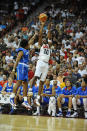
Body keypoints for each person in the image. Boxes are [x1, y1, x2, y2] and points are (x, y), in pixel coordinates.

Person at [10, 32, 37, 109]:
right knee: (19, 82)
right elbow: (17, 60)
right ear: (26, 45)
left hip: (26, 67)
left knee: (25, 83)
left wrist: (35, 35)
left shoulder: (26, 49)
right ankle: (11, 98)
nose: (29, 45)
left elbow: (31, 41)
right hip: (21, 66)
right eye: (28, 44)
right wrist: (13, 69)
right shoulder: (21, 51)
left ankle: (25, 101)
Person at [30, 21, 52, 106]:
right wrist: (42, 26)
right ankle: (30, 90)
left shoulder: (49, 45)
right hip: (40, 62)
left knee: (42, 81)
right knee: (36, 77)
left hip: (46, 64)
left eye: (45, 38)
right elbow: (40, 35)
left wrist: (49, 28)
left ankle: (38, 98)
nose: (44, 39)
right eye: (43, 39)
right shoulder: (40, 45)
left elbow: (49, 36)